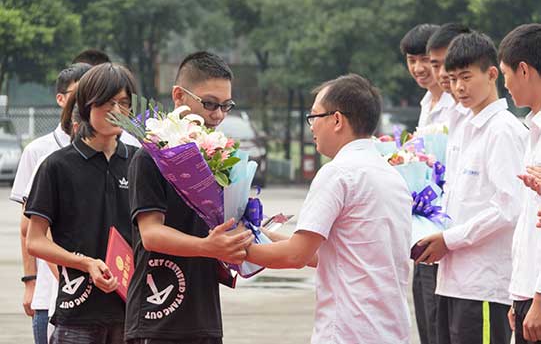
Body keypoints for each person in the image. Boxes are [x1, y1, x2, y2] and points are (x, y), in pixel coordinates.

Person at [246, 73, 412, 344]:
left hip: (348, 330)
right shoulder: (391, 175)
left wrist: (230, 249)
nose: (311, 127)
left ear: (336, 120)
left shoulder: (337, 173)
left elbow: (295, 256)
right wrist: (256, 233)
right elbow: (331, 253)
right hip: (389, 330)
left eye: (314, 117)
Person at [124, 51, 253, 344]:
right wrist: (208, 247)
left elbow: (237, 226)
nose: (218, 115)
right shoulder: (150, 158)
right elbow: (152, 234)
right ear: (179, 96)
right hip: (158, 317)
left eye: (226, 106)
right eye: (209, 104)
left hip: (204, 316)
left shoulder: (221, 160)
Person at [417, 31, 527, 344]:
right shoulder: (464, 128)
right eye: (451, 79)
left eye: (466, 77)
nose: (459, 87)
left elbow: (510, 207)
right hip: (452, 281)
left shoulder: (503, 131)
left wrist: (449, 240)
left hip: (484, 285)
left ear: (492, 74)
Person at [25, 63, 140, 344]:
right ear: (87, 104)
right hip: (77, 312)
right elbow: (35, 240)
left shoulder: (141, 161)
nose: (116, 111)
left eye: (123, 103)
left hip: (133, 312)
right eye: (107, 102)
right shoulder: (57, 166)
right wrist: (85, 263)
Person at [10, 62, 91, 344]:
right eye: (79, 93)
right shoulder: (39, 152)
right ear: (60, 98)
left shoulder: (119, 149)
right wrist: (29, 283)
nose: (86, 102)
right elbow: (28, 228)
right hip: (51, 293)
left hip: (102, 296)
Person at [400, 23, 454, 344]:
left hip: (447, 227)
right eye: (411, 60)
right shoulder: (425, 104)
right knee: (426, 319)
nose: (419, 69)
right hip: (421, 224)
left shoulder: (455, 105)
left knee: (441, 323)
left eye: (426, 61)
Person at [499, 23, 541, 344]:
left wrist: (538, 297)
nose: (506, 85)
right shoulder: (532, 130)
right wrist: (521, 291)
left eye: (505, 74)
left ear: (523, 69)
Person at [426, 23, 472, 209]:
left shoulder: (494, 125)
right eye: (436, 66)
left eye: (449, 64)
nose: (443, 73)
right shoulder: (452, 113)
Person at [400, 23, 455, 129]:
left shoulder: (459, 102)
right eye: (412, 60)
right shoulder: (426, 102)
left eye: (425, 59)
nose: (418, 69)